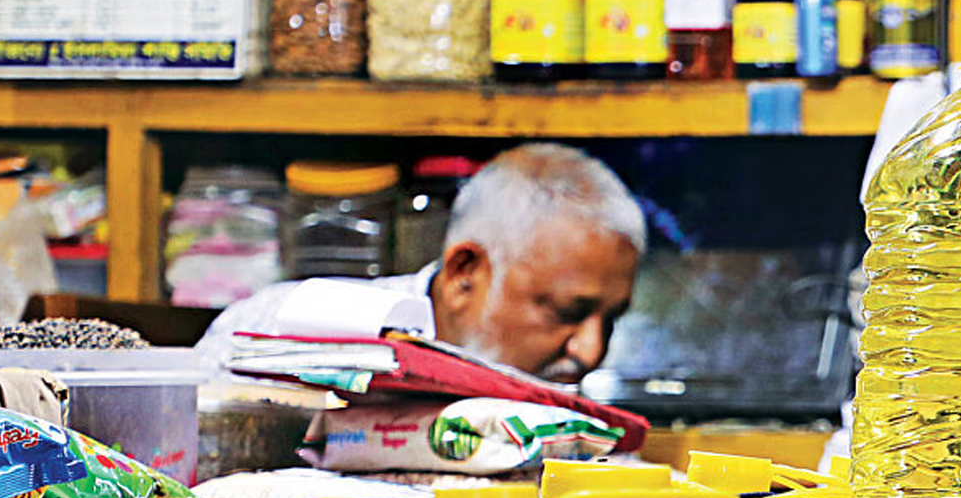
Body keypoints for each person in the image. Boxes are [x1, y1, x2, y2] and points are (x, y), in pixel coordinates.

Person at [196, 142, 644, 384]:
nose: (591, 351)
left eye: (611, 321)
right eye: (567, 312)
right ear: (464, 273)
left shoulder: (576, 423)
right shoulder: (276, 331)